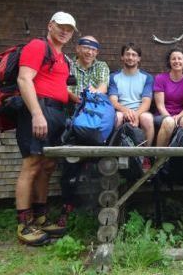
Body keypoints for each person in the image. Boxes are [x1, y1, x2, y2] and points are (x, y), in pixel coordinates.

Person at [15, 11, 77, 246]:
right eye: (61, 26)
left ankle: (40, 218)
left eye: (69, 29)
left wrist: (75, 98)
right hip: (38, 110)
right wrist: (37, 113)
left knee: (47, 165)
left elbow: (55, 85)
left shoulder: (61, 57)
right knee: (31, 164)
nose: (65, 31)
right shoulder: (37, 46)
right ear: (50, 25)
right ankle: (24, 223)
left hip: (56, 113)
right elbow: (24, 79)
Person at [59, 36, 110, 229]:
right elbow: (65, 90)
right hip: (72, 119)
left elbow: (102, 88)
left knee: (97, 162)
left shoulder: (101, 66)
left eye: (93, 49)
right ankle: (67, 205)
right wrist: (83, 100)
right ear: (78, 48)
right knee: (69, 163)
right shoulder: (68, 65)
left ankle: (97, 205)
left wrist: (86, 99)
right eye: (86, 48)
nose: (90, 52)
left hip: (94, 120)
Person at [109, 42, 154, 146]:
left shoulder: (147, 77)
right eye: (127, 54)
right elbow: (113, 101)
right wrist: (126, 111)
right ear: (122, 57)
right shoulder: (113, 77)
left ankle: (145, 155)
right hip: (120, 110)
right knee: (118, 117)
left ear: (139, 58)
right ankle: (114, 153)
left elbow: (146, 102)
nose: (130, 57)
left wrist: (136, 115)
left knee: (147, 118)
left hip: (140, 111)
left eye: (134, 55)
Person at [154, 48, 183, 146]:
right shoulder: (160, 79)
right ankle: (160, 157)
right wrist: (170, 118)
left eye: (179, 59)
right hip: (162, 115)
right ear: (169, 61)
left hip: (181, 115)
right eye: (173, 59)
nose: (177, 61)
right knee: (168, 122)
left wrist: (179, 116)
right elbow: (160, 106)